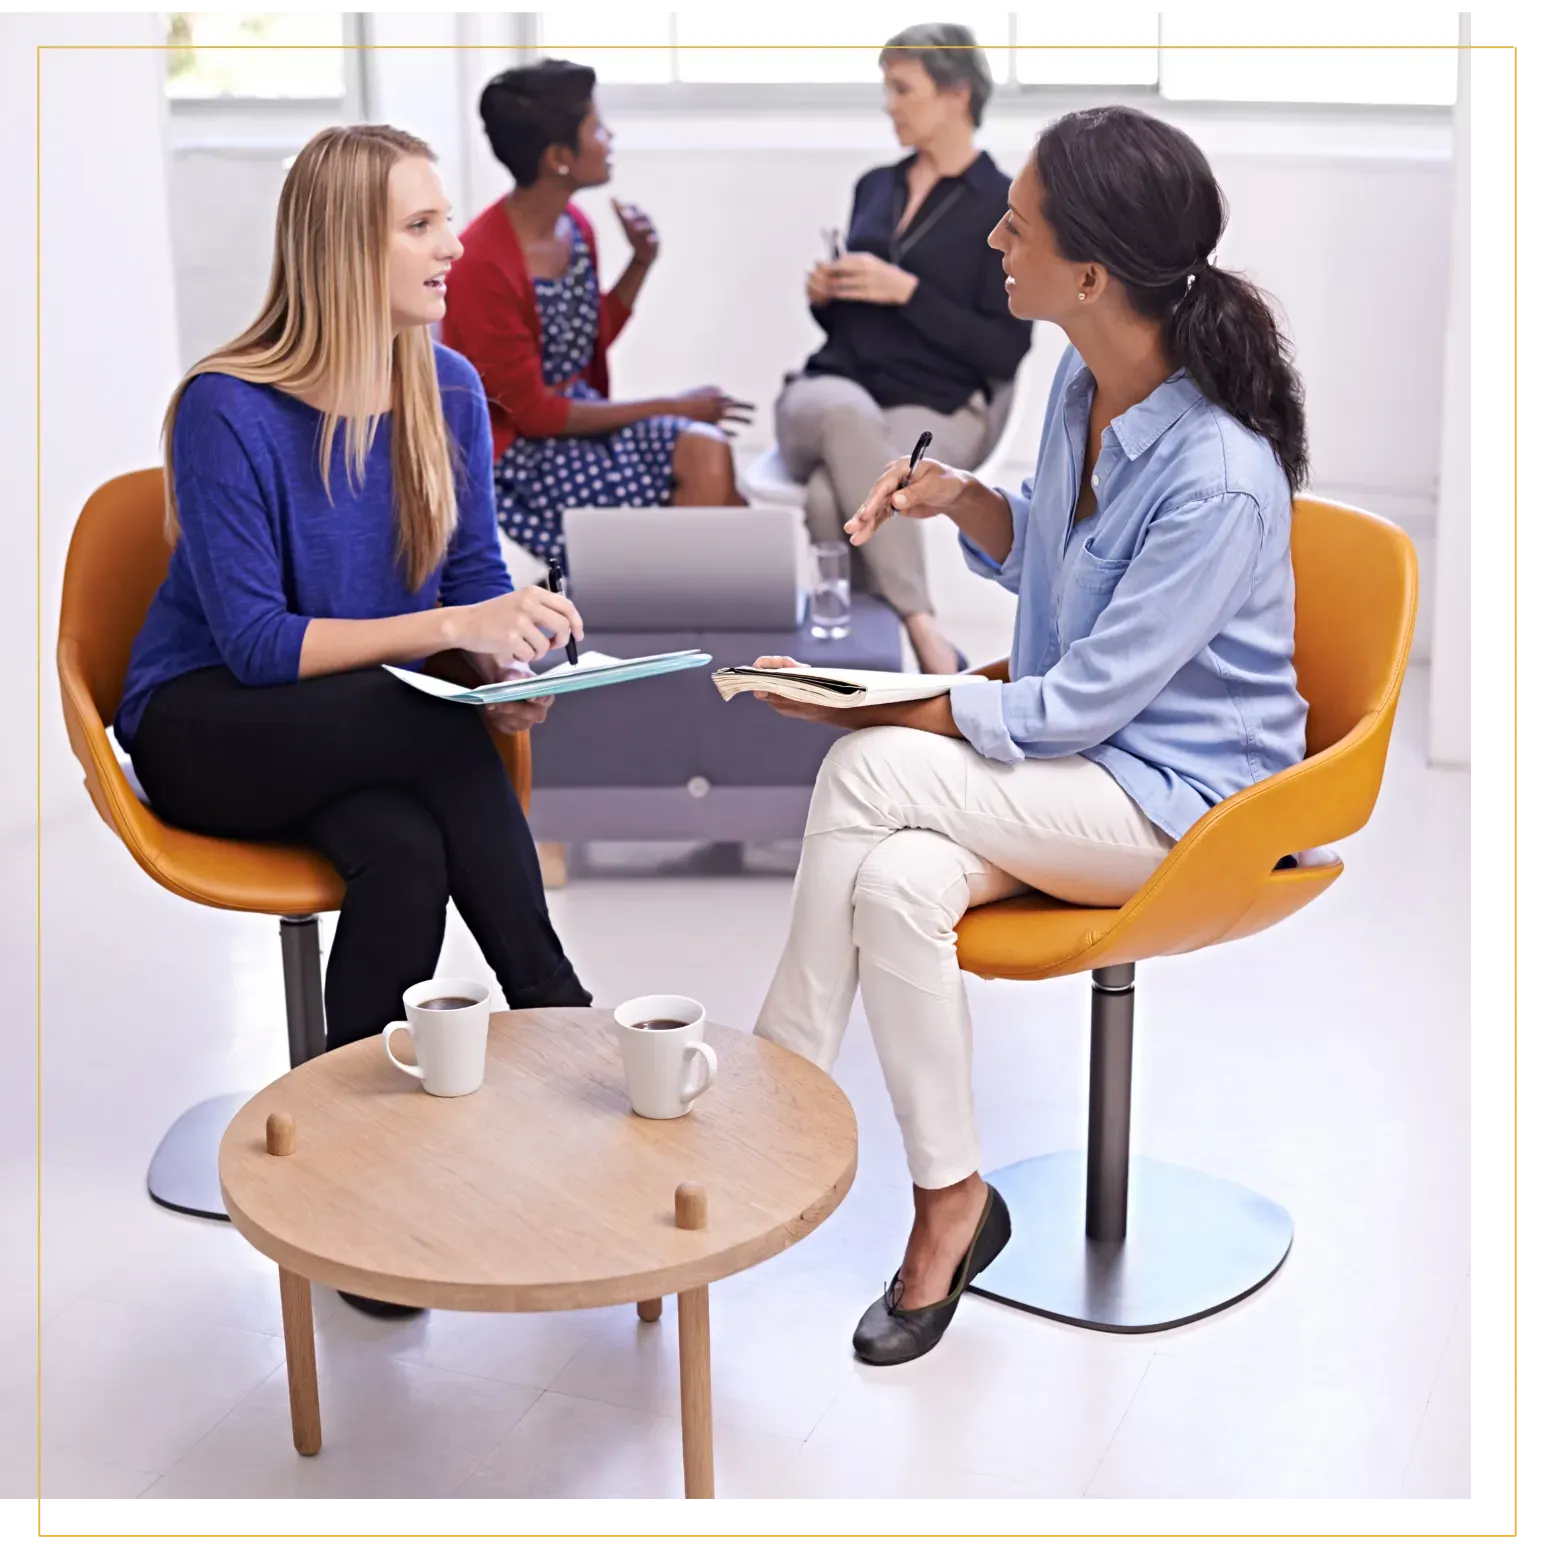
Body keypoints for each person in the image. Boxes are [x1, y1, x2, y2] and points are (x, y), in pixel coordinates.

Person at [750, 105, 1311, 1366]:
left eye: (1021, 221)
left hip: (1183, 802)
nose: (997, 233)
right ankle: (955, 1202)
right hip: (1077, 776)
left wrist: (881, 701)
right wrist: (969, 502)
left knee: (867, 758)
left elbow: (1073, 704)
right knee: (895, 882)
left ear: (1094, 274)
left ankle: (762, 1110)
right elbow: (1060, 575)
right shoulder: (1082, 382)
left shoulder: (1217, 476)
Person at [116, 125, 593, 1316]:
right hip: (210, 724)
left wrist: (508, 674)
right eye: (422, 225)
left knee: (410, 845)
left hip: (363, 729)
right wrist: (454, 642)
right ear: (344, 248)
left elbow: (470, 584)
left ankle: (351, 1183)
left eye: (446, 219)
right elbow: (259, 645)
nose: (454, 245)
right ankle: (565, 1019)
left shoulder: (448, 386)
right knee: (427, 724)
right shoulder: (226, 407)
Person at [776, 22, 1032, 676]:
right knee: (847, 421)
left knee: (828, 501)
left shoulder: (999, 207)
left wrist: (906, 292)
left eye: (901, 88)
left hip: (936, 399)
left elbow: (1002, 349)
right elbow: (843, 330)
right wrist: (826, 294)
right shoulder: (875, 186)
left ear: (954, 93)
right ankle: (924, 633)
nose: (889, 104)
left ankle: (868, 673)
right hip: (834, 388)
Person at [442, 60, 753, 571]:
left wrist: (640, 263)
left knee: (707, 449)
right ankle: (674, 612)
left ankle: (682, 610)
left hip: (580, 423)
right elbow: (536, 414)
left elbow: (583, 339)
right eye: (597, 128)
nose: (610, 138)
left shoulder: (574, 226)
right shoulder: (482, 264)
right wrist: (671, 405)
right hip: (524, 455)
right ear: (559, 157)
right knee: (714, 510)